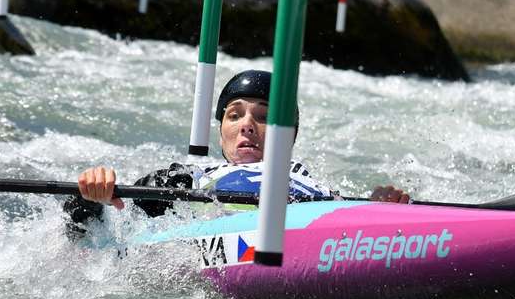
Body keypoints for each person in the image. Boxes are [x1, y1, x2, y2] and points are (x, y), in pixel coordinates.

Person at [65, 70, 409, 234]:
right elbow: (90, 229)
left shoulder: (311, 185)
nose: (247, 125)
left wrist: (380, 211)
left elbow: (346, 228)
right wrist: (93, 195)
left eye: (264, 117)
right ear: (222, 131)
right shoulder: (188, 179)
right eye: (235, 114)